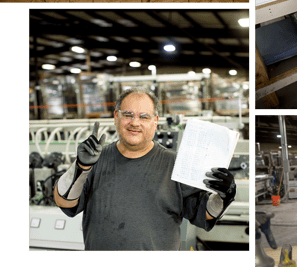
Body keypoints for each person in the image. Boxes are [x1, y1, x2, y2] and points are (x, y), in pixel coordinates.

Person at [53, 87, 236, 251]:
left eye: (144, 116)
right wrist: (81, 167)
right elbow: (65, 202)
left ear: (155, 121)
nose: (135, 122)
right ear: (116, 117)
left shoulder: (175, 164)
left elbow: (203, 213)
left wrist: (224, 196)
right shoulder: (96, 160)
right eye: (128, 114)